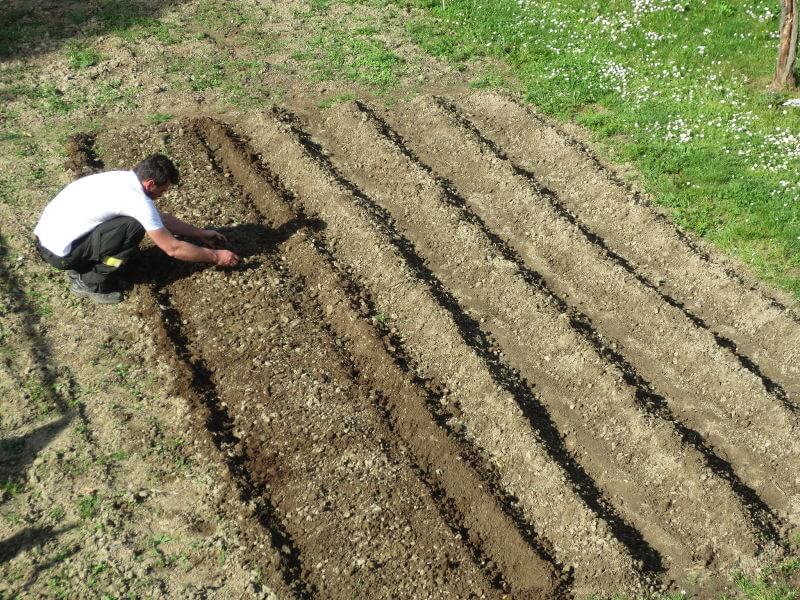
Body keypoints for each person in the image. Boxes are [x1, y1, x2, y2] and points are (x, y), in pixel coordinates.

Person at [34, 154, 239, 304]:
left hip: (47, 240)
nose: (163, 194)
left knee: (131, 222)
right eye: (163, 190)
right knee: (133, 227)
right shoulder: (137, 201)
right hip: (60, 256)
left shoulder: (120, 179)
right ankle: (90, 282)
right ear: (150, 184)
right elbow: (173, 248)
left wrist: (199, 234)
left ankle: (84, 262)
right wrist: (216, 257)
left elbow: (158, 218)